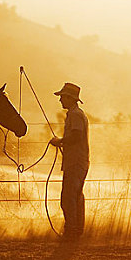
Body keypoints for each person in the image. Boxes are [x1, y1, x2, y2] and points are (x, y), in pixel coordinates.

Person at [49, 82, 89, 240]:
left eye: (62, 97)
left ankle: (71, 231)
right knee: (75, 196)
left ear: (70, 98)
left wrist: (60, 141)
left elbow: (77, 135)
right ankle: (76, 231)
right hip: (77, 161)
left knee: (68, 197)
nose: (60, 100)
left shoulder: (75, 115)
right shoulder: (76, 114)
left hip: (75, 162)